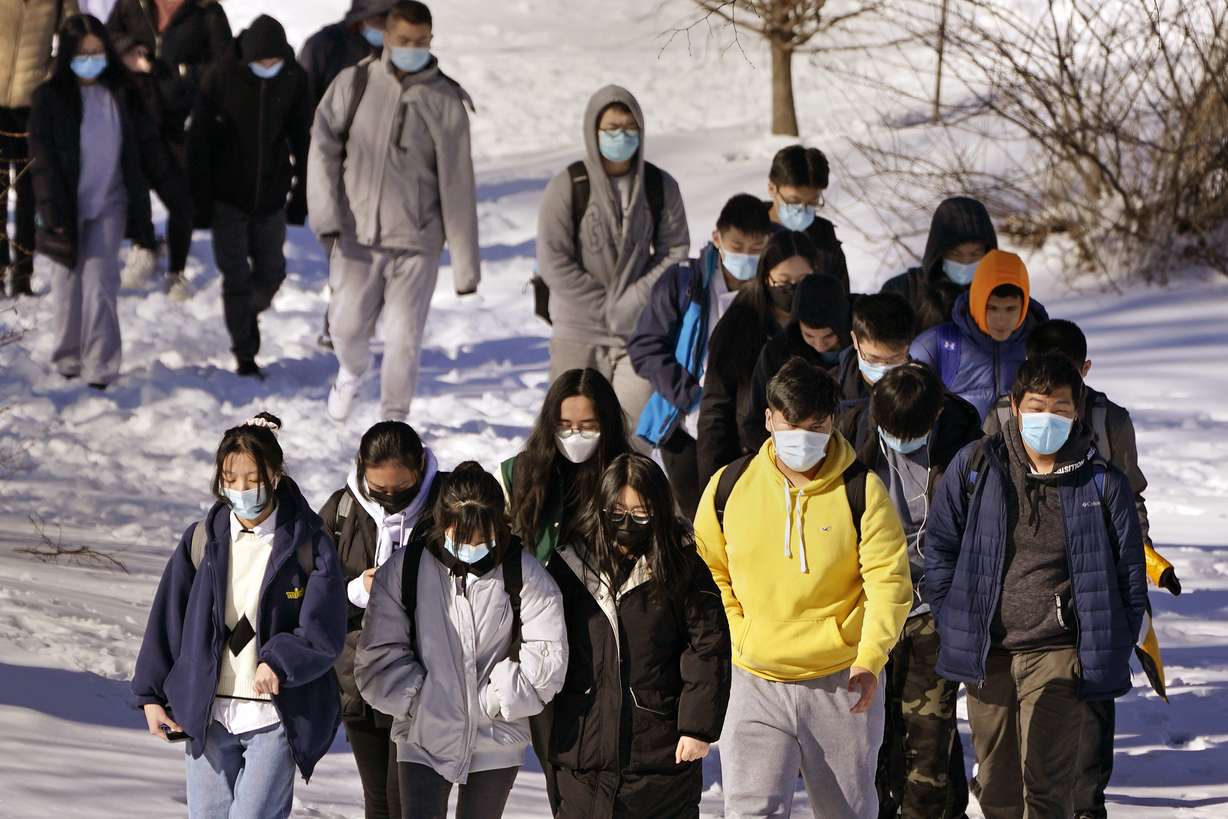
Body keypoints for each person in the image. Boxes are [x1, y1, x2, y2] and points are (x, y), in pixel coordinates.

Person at [923, 353, 1148, 819]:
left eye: (1060, 409)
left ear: (1077, 410)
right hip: (990, 652)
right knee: (997, 788)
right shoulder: (976, 465)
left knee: (1047, 789)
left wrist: (1113, 640)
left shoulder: (1101, 482)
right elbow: (940, 547)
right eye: (1037, 407)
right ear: (1015, 406)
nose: (1048, 418)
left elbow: (1129, 570)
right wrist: (951, 616)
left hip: (1059, 652)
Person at [695, 357, 913, 819]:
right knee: (750, 812)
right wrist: (738, 631)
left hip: (842, 681)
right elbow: (707, 572)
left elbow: (889, 583)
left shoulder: (863, 491)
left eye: (815, 426)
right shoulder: (728, 487)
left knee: (847, 812)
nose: (802, 437)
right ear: (769, 419)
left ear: (833, 422)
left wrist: (870, 659)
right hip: (753, 679)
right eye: (791, 424)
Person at [994, 318, 1182, 819]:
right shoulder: (1000, 421)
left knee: (1096, 696)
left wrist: (1143, 557)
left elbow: (1129, 495)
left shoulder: (1109, 420)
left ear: (1085, 372)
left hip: (1094, 578)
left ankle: (1087, 799)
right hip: (1027, 595)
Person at [131, 412, 347, 819]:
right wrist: (150, 696)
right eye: (230, 478)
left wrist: (280, 661)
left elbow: (324, 630)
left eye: (253, 479)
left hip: (274, 714)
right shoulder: (201, 540)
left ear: (275, 475)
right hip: (207, 712)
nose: (241, 490)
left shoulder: (309, 544)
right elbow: (168, 620)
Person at [355, 462, 568, 819]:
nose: (472, 547)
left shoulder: (524, 573)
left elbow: (548, 656)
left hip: (497, 736)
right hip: (422, 734)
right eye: (462, 537)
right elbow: (377, 654)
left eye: (483, 538)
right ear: (443, 522)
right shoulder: (406, 569)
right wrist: (417, 698)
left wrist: (496, 698)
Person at [310, 0, 480, 423]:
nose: (412, 49)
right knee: (346, 328)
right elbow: (323, 148)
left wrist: (465, 265)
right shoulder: (354, 83)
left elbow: (457, 184)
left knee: (404, 339)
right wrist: (327, 216)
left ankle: (393, 423)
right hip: (357, 235)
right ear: (387, 37)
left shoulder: (446, 100)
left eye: (421, 42)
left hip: (417, 242)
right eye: (404, 40)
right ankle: (351, 371)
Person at [547, 453, 731, 817]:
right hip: (583, 746)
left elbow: (708, 646)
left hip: (659, 752)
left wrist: (697, 728)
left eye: (640, 513)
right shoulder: (569, 563)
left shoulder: (683, 567)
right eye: (617, 512)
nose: (627, 523)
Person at [835, 363, 981, 819]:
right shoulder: (850, 438)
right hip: (867, 609)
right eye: (891, 433)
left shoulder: (964, 448)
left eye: (911, 436)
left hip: (934, 610)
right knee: (871, 738)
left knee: (929, 741)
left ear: (936, 415)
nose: (901, 443)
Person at [497, 367, 632, 811]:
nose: (576, 436)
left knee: (602, 763)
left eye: (588, 426)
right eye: (566, 425)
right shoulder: (520, 474)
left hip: (607, 636)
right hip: (542, 639)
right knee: (556, 758)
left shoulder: (630, 477)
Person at [28, 13, 188, 390]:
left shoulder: (122, 94)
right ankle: (68, 361)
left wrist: (174, 193)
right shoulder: (49, 98)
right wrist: (50, 211)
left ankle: (101, 366)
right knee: (67, 288)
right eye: (82, 53)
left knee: (100, 285)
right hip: (65, 208)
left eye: (97, 52)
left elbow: (147, 148)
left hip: (109, 204)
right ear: (68, 54)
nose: (90, 60)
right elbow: (42, 160)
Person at [536, 84, 690, 435]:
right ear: (594, 130)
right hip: (578, 327)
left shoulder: (660, 185)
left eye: (630, 127)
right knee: (570, 432)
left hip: (639, 329)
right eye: (612, 128)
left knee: (631, 433)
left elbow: (675, 250)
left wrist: (634, 301)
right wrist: (604, 305)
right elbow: (552, 258)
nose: (621, 135)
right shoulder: (569, 184)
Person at [319, 420, 446, 819]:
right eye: (380, 490)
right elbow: (309, 593)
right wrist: (357, 590)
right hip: (358, 676)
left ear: (420, 466)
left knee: (406, 799)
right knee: (378, 798)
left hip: (425, 678)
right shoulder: (342, 510)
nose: (390, 498)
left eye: (401, 488)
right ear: (361, 467)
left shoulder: (448, 504)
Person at [627, 192, 773, 518]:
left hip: (747, 424)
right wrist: (689, 396)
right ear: (717, 238)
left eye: (755, 249)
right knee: (700, 518)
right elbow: (645, 346)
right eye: (737, 246)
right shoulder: (684, 282)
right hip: (684, 423)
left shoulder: (772, 291)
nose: (745, 256)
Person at [187, 14, 311, 378]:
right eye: (262, 62)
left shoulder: (294, 78)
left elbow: (304, 139)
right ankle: (244, 354)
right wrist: (200, 202)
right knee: (236, 276)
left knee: (272, 274)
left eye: (274, 62)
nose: (268, 68)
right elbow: (199, 143)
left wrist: (301, 196)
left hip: (271, 196)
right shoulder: (221, 77)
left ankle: (244, 314)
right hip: (228, 198)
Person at [105, 0, 233, 298]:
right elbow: (107, 36)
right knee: (134, 184)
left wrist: (181, 74)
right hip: (136, 111)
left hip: (182, 119)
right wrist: (128, 50)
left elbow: (225, 64)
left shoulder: (207, 11)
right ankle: (144, 244)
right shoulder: (131, 4)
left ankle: (177, 271)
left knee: (181, 197)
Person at [299, 0, 396, 350]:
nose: (385, 25)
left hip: (382, 174)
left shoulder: (398, 51)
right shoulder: (324, 46)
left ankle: (347, 327)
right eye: (380, 18)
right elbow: (301, 102)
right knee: (345, 255)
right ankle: (339, 328)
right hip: (332, 169)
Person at [695, 229, 819, 487]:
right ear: (765, 278)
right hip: (752, 457)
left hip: (816, 452)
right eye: (783, 281)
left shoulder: (825, 319)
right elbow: (716, 410)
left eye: (803, 280)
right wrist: (716, 483)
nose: (793, 289)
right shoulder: (740, 323)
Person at [910, 249, 1048, 421]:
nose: (1001, 319)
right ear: (977, 301)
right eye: (992, 308)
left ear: (1024, 305)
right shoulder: (936, 345)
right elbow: (905, 411)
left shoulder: (1045, 345)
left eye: (1010, 309)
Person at [0, 0, 79, 297]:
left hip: (33, 105)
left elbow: (75, 33)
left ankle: (23, 273)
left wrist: (50, 74)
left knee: (29, 193)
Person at [111, 33, 194, 295]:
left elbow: (180, 103)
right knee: (136, 207)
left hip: (161, 152)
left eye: (141, 52)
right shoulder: (113, 84)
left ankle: (176, 271)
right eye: (130, 54)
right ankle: (144, 247)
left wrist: (154, 73)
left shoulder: (159, 74)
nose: (137, 58)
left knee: (182, 207)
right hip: (128, 157)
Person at [742, 271, 850, 453]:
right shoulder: (778, 352)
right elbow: (754, 419)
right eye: (809, 335)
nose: (820, 345)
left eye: (829, 336)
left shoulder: (859, 351)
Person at [880, 196, 998, 330]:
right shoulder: (904, 290)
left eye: (975, 254)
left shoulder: (1003, 293)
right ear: (939, 253)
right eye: (956, 254)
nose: (966, 262)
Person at [765, 144, 850, 293]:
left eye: (812, 202)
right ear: (772, 189)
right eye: (794, 201)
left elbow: (841, 297)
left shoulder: (825, 242)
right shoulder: (747, 236)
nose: (802, 210)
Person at [300, 0, 395, 108]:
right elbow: (304, 97)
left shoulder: (397, 47)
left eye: (392, 19)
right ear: (361, 16)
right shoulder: (324, 43)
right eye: (380, 18)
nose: (385, 27)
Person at [831, 291, 915, 405]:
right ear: (855, 340)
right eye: (874, 359)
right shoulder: (831, 392)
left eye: (895, 359)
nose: (884, 370)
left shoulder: (926, 392)